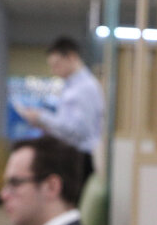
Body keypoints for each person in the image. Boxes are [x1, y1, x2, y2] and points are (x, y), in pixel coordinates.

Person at [15, 36, 105, 181]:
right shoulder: (70, 86)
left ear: (71, 57)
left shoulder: (85, 87)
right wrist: (43, 124)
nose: (54, 71)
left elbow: (79, 131)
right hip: (72, 154)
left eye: (56, 64)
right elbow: (67, 126)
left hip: (81, 158)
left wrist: (42, 117)